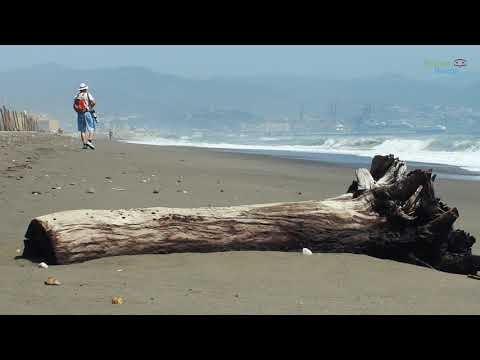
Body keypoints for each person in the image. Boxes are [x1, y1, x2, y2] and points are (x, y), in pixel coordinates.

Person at [73, 83, 96, 150]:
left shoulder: (77, 96)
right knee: (91, 127)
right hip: (87, 112)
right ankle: (89, 141)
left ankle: (84, 145)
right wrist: (90, 107)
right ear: (85, 89)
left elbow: (75, 105)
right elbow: (94, 102)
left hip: (79, 114)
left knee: (82, 130)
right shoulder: (88, 94)